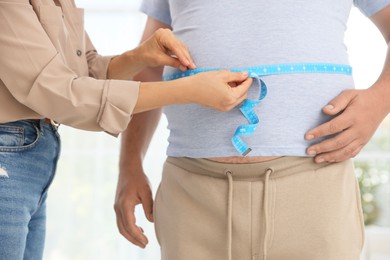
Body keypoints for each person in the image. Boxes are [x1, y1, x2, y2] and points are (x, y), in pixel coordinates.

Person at [116, 0, 390, 260]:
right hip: (191, 197)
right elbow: (149, 65)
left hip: (314, 192)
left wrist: (380, 99)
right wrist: (129, 165)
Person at [0, 0, 253, 259]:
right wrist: (188, 91)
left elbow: (82, 72)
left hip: (32, 160)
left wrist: (139, 57)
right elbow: (56, 92)